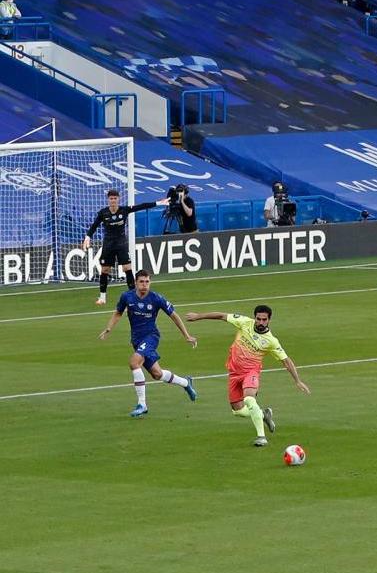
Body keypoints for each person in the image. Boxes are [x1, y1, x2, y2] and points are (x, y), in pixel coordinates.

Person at [185, 304, 311, 446]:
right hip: (234, 373)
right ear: (254, 317)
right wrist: (198, 316)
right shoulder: (245, 322)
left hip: (251, 373)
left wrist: (297, 381)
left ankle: (261, 437)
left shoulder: (271, 341)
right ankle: (263, 414)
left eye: (264, 320)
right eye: (259, 319)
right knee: (237, 411)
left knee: (249, 400)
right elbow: (221, 315)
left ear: (269, 320)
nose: (261, 322)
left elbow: (286, 361)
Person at [97, 270, 197, 417]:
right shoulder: (127, 296)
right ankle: (186, 383)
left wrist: (186, 335)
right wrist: (109, 328)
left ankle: (142, 404)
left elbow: (174, 316)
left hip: (151, 337)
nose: (144, 285)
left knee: (134, 362)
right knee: (157, 374)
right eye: (141, 282)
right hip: (136, 340)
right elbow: (118, 312)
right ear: (136, 283)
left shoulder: (156, 298)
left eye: (147, 282)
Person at [83, 188, 169, 305]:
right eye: (111, 198)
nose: (113, 200)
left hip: (121, 244)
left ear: (118, 199)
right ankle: (102, 297)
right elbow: (94, 226)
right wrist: (88, 237)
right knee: (105, 270)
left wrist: (158, 203)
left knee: (127, 268)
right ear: (108, 200)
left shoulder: (124, 210)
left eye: (115, 198)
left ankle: (134, 297)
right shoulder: (103, 213)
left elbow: (142, 206)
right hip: (108, 244)